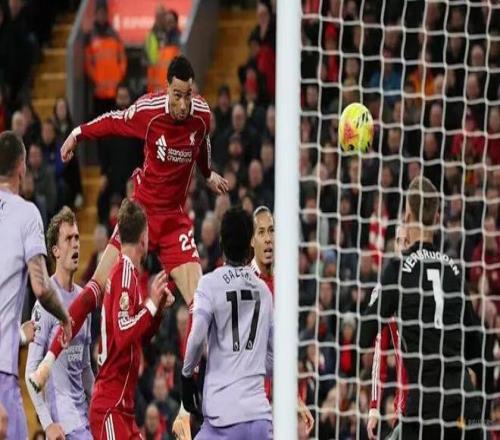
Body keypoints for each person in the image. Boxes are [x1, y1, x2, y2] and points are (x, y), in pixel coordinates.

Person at [30, 55, 228, 440]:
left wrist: (207, 174)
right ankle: (48, 361)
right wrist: (77, 133)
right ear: (167, 88)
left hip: (174, 220)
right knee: (96, 284)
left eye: (188, 95)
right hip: (141, 214)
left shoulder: (202, 115)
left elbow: (202, 144)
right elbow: (113, 121)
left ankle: (187, 407)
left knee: (201, 303)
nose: (182, 104)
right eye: (176, 95)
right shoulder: (150, 112)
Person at [359, 176, 483, 440]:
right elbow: (476, 350)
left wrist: (379, 296)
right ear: (437, 216)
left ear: (407, 215)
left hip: (425, 407)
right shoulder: (454, 270)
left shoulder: (398, 270)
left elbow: (365, 334)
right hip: (465, 404)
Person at [0, 131, 70, 440]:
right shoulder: (26, 213)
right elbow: (40, 287)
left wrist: (18, 335)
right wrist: (65, 317)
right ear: (22, 167)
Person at [181, 207, 274, 439]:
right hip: (260, 419)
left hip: (223, 420)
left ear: (221, 242)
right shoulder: (264, 291)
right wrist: (250, 363)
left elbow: (197, 336)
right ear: (250, 243)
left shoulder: (209, 284)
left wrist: (186, 376)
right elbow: (274, 358)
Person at [89, 199, 175, 439]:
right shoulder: (124, 273)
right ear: (144, 237)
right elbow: (124, 333)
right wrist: (150, 304)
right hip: (110, 407)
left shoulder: (128, 276)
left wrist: (157, 311)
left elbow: (139, 337)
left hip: (123, 408)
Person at [26, 207, 93, 440]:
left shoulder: (84, 299)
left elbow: (85, 368)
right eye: (68, 239)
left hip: (86, 420)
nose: (76, 244)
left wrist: (100, 407)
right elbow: (31, 372)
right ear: (55, 251)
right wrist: (48, 424)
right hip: (65, 426)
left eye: (77, 238)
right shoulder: (45, 303)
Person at [250, 205, 315, 435]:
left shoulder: (283, 285)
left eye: (271, 231)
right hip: (244, 403)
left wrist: (295, 398)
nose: (268, 238)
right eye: (261, 232)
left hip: (270, 403)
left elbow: (282, 350)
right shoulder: (243, 283)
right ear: (251, 240)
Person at [367, 225, 409, 440]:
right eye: (400, 241)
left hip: (437, 395)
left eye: (408, 241)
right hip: (405, 404)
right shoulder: (384, 290)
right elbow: (379, 354)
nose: (404, 246)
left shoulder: (432, 282)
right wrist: (374, 407)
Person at [85, 3, 127, 115]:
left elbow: (122, 58)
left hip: (114, 91)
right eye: (99, 13)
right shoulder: (91, 36)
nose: (102, 16)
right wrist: (96, 78)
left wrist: (119, 76)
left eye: (104, 13)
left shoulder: (115, 35)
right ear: (95, 15)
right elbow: (88, 62)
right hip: (99, 91)